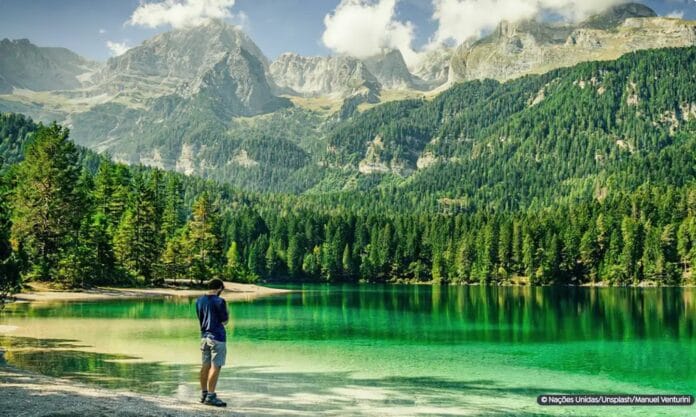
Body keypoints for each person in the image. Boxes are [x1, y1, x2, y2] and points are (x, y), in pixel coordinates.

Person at [196, 278, 229, 407]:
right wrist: (228, 311)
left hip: (204, 337)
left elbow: (201, 318)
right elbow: (225, 322)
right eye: (222, 289)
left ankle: (204, 394)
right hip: (217, 337)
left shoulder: (199, 300)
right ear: (220, 288)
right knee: (216, 366)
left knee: (205, 365)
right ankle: (211, 396)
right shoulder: (220, 301)